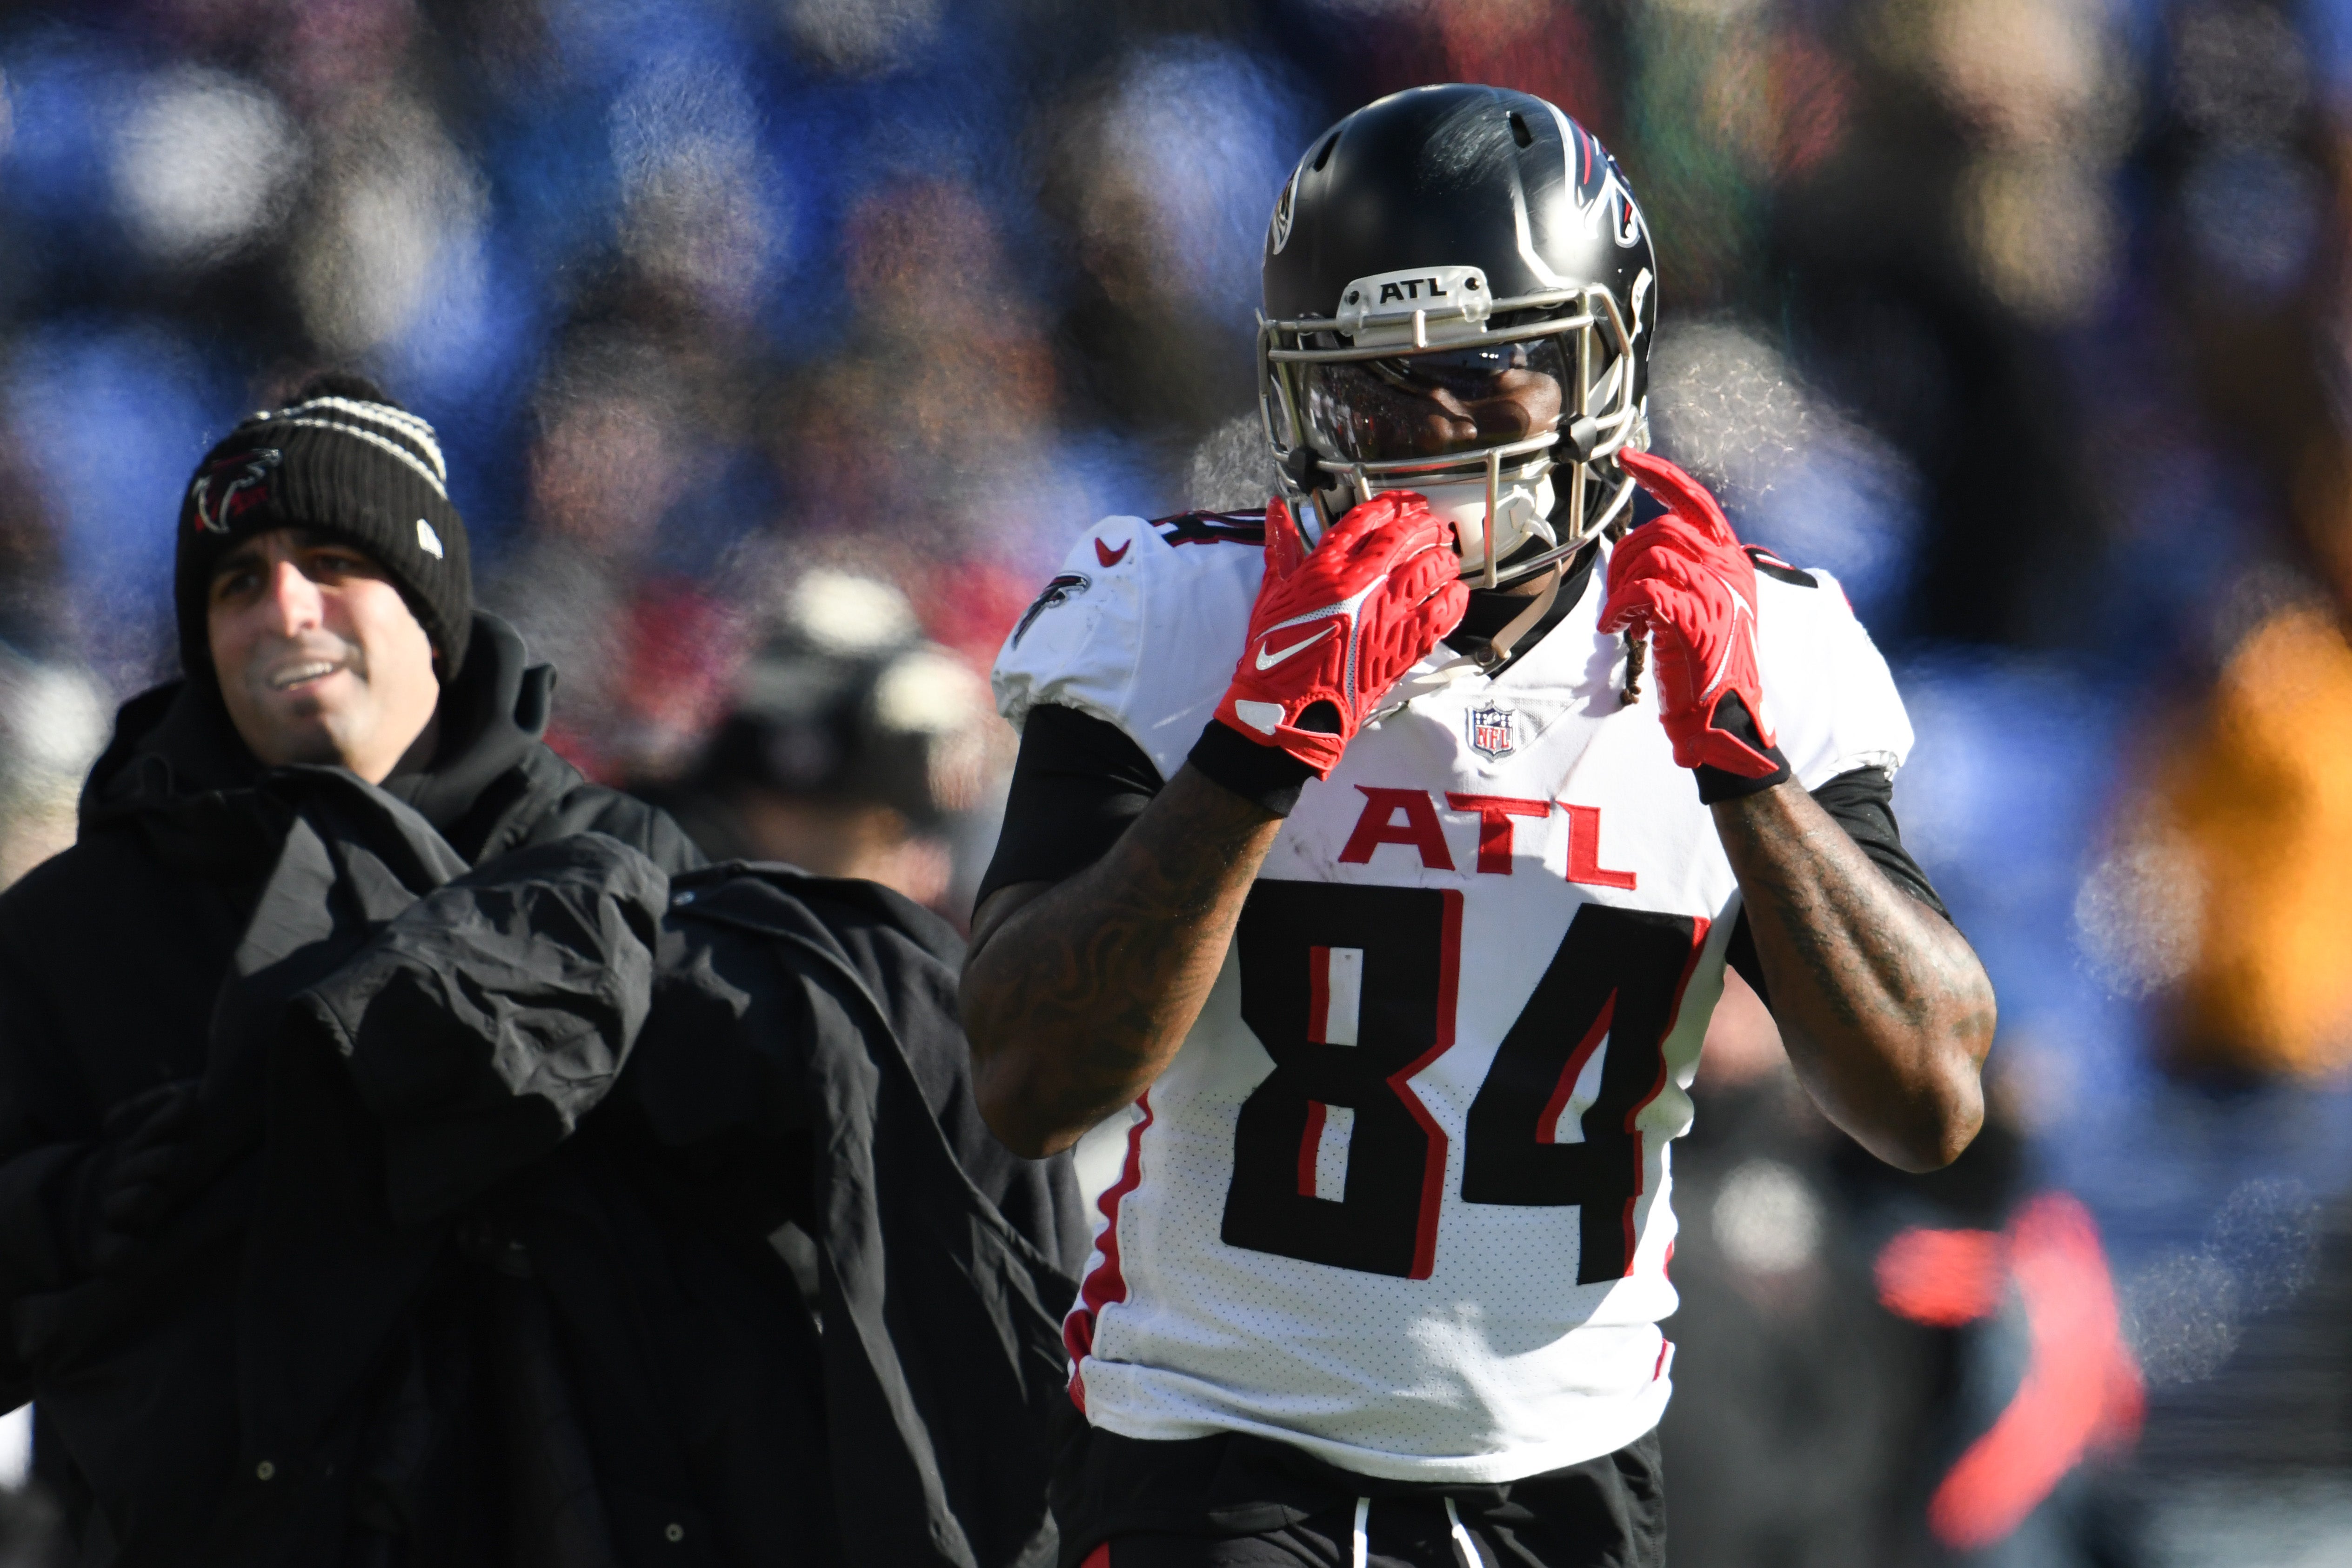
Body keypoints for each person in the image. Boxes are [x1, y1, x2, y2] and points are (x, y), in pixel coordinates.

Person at [961, 85, 1998, 1568]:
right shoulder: (1175, 614)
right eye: (1373, 386)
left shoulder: (1759, 641)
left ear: (1609, 365)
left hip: (1565, 1471)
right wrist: (1261, 746)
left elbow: (1930, 1094)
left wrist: (1742, 766)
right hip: (1215, 1453)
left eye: (1487, 375)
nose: (1427, 435)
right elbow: (1028, 1080)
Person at [0, 375, 1079, 1565]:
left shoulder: (624, 865)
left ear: (429, 603)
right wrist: (99, 1205)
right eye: (236, 583)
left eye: (329, 560)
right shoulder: (83, 931)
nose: (286, 609)